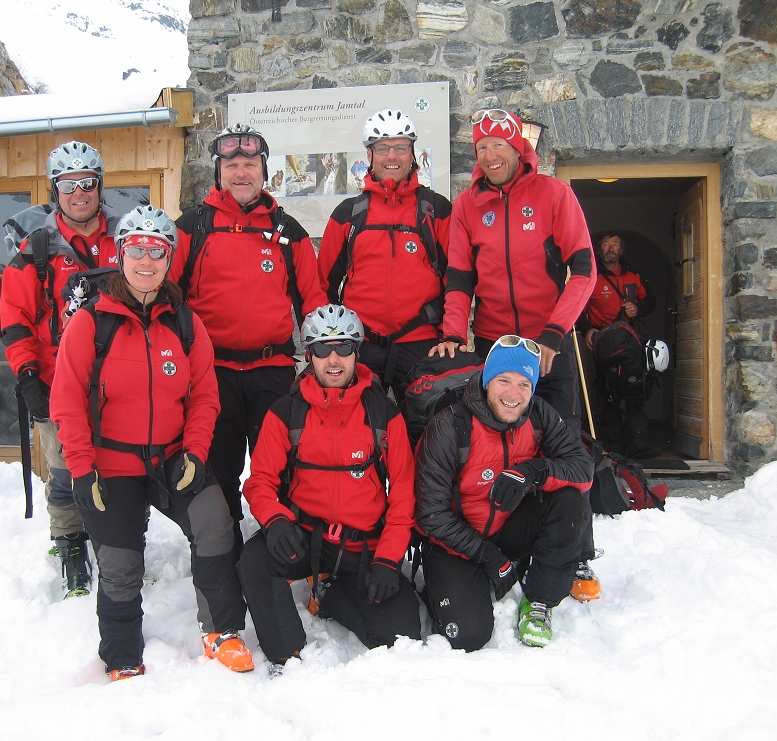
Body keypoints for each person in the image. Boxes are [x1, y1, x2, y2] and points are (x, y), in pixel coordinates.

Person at [50, 206, 253, 681]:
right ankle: (122, 655)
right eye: (137, 249)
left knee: (215, 524)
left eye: (157, 252)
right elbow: (66, 402)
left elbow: (205, 396)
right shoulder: (91, 323)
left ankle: (221, 630)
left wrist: (195, 452)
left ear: (168, 259)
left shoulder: (185, 323)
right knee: (120, 563)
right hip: (110, 465)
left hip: (171, 458)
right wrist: (81, 469)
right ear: (121, 254)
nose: (147, 261)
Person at [430, 108, 601, 600]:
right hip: (494, 346)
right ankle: (498, 539)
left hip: (549, 344)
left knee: (564, 445)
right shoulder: (468, 206)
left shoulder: (554, 194)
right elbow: (459, 277)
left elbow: (584, 271)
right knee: (498, 444)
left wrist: (554, 333)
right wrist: (453, 331)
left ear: (518, 149)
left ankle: (577, 552)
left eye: (498, 145)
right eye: (481, 147)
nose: (489, 155)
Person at [239, 304, 421, 676]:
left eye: (343, 347)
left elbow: (404, 493)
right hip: (304, 537)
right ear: (309, 355)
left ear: (357, 352)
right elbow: (260, 481)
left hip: (362, 547)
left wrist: (388, 560)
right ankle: (286, 654)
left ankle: (330, 593)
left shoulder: (383, 416)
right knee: (254, 561)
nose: (333, 359)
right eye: (322, 348)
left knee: (400, 636)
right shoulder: (285, 412)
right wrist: (275, 521)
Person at [177, 125, 326, 554]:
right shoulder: (193, 226)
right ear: (219, 172)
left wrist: (324, 358)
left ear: (264, 170)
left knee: (276, 469)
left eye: (249, 164)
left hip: (271, 372)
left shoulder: (288, 231)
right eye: (232, 165)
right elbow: (169, 298)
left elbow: (313, 300)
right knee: (218, 471)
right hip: (213, 374)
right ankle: (223, 551)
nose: (241, 173)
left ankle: (275, 549)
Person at [415, 336, 593, 650]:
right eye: (504, 381)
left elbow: (582, 468)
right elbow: (431, 515)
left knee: (569, 503)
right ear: (487, 381)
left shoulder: (538, 414)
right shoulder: (450, 425)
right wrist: (489, 556)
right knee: (469, 636)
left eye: (524, 384)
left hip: (507, 528)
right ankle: (444, 588)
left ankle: (540, 600)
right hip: (454, 541)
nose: (513, 394)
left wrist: (535, 471)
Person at [0, 141, 119, 599]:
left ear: (100, 186)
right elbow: (15, 320)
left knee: (122, 466)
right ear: (55, 190)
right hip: (56, 380)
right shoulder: (37, 248)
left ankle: (122, 543)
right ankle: (70, 544)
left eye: (87, 183)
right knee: (66, 469)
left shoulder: (124, 237)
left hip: (119, 378)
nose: (79, 193)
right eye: (68, 185)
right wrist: (28, 376)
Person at [318, 109, 451, 402]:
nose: (392, 156)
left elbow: (456, 280)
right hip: (362, 344)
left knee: (428, 426)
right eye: (382, 148)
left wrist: (449, 334)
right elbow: (323, 284)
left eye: (401, 147)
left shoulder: (436, 209)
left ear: (412, 153)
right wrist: (332, 340)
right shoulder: (348, 214)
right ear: (370, 155)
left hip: (422, 343)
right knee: (360, 425)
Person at [581, 232, 658, 459]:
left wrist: (638, 308)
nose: (610, 249)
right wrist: (587, 330)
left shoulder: (633, 274)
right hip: (603, 343)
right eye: (606, 245)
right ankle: (615, 448)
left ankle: (638, 446)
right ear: (599, 250)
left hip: (630, 342)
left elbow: (650, 299)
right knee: (608, 394)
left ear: (621, 250)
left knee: (636, 392)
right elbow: (578, 306)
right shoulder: (591, 276)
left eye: (614, 245)